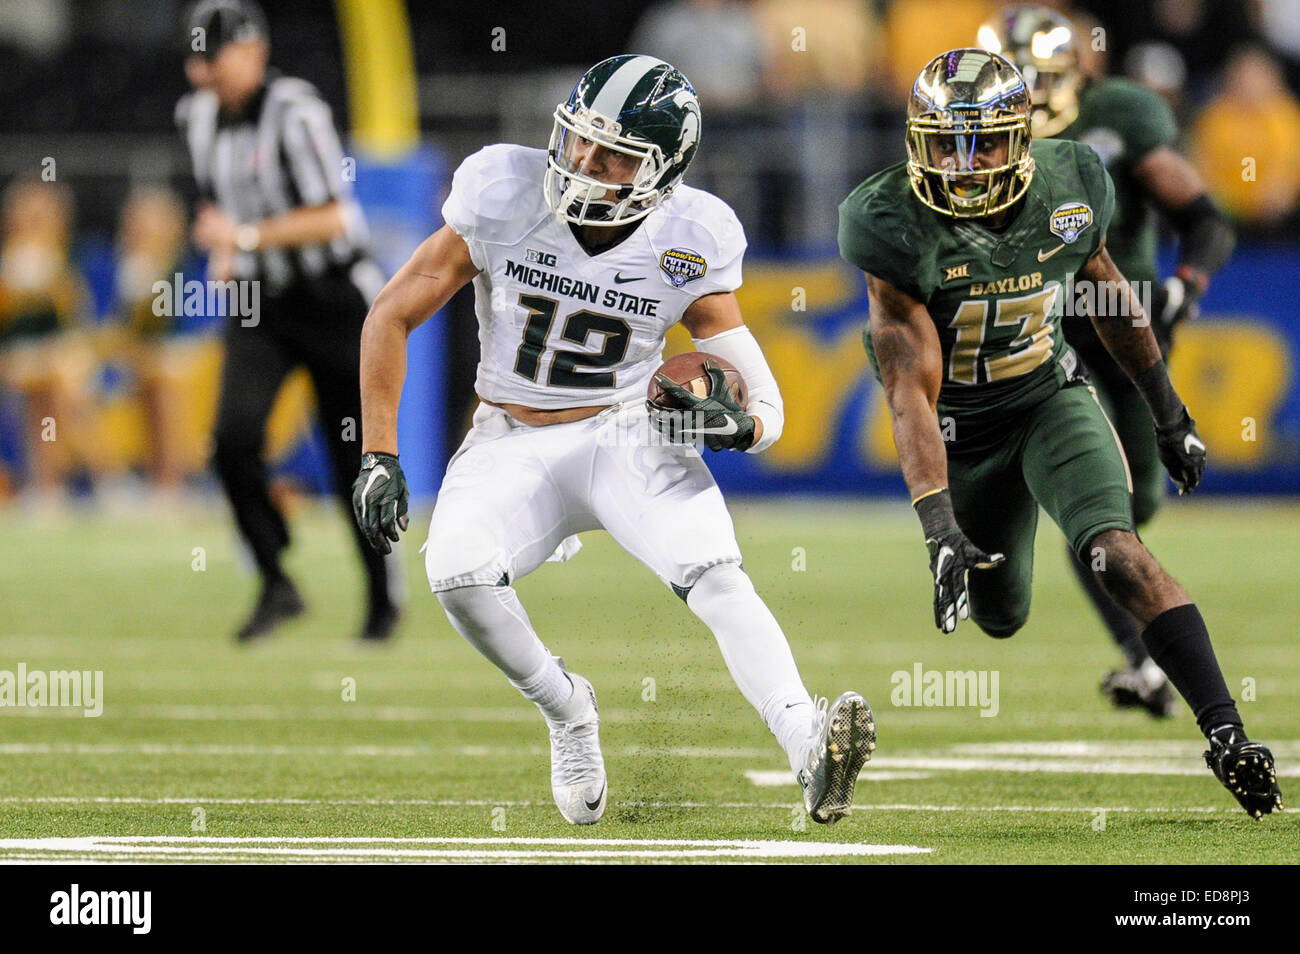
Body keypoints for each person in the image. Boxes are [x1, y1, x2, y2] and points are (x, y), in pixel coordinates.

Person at [353, 54, 874, 826]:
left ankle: (807, 746)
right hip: (508, 436)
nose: (587, 165)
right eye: (581, 141)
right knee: (456, 573)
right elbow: (390, 314)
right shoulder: (504, 191)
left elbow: (765, 404)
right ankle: (569, 712)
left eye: (616, 155)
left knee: (714, 573)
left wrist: (742, 425)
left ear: (664, 172)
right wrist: (378, 452)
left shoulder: (688, 236)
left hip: (626, 431)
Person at [837, 49, 1281, 819]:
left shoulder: (1070, 182)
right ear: (917, 142)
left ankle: (1229, 736)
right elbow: (907, 384)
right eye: (946, 142)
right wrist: (937, 522)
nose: (966, 163)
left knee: (1118, 552)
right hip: (964, 430)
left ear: (1025, 135)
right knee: (1002, 615)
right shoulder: (890, 222)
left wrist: (1169, 415)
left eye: (984, 141)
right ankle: (989, 542)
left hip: (1048, 399)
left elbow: (1112, 299)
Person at [978, 5, 1235, 717]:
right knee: (1097, 509)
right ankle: (1145, 663)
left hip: (1128, 326)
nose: (1026, 92)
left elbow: (1206, 218)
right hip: (1043, 336)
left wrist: (1187, 284)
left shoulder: (1118, 114)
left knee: (1136, 504)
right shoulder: (979, 139)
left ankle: (1148, 656)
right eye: (1013, 78)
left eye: (1038, 77)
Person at [175, 0, 400, 642]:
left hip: (331, 298)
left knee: (349, 456)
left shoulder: (296, 111)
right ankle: (276, 579)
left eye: (212, 60)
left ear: (252, 51)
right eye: (195, 61)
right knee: (232, 440)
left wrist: (242, 237)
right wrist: (226, 247)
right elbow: (217, 208)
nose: (202, 75)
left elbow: (334, 217)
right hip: (264, 304)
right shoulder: (197, 116)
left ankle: (381, 600)